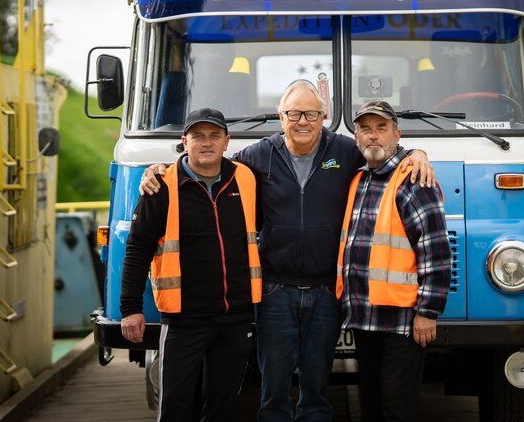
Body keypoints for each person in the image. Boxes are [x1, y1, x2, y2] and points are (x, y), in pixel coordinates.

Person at [140, 80, 434, 422]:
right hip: (275, 291)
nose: (303, 121)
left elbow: (382, 149)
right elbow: (208, 162)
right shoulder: (257, 155)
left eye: (311, 113)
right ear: (281, 117)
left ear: (323, 117)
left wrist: (417, 154)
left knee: (316, 392)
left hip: (326, 292)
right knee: (274, 391)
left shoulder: (345, 151)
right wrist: (162, 168)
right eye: (294, 113)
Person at [121, 108, 262, 422]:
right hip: (185, 321)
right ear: (184, 141)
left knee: (222, 409)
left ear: (227, 142)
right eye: (198, 136)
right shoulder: (161, 187)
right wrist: (130, 308)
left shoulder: (246, 179)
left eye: (214, 136)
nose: (207, 143)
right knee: (176, 406)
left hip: (235, 318)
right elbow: (138, 247)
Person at [336, 100, 452, 422]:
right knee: (372, 403)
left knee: (396, 407)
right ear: (357, 137)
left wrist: (427, 313)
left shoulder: (414, 181)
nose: (373, 136)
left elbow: (437, 251)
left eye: (381, 128)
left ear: (396, 134)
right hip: (365, 315)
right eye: (366, 129)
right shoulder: (360, 179)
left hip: (402, 323)